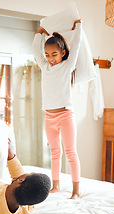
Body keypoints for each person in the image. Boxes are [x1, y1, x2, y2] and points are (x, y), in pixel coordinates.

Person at [32, 19, 82, 199]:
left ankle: (76, 191)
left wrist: (78, 28)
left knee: (70, 152)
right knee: (54, 152)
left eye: (54, 54)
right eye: (47, 55)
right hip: (49, 117)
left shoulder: (67, 66)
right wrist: (39, 32)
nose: (50, 58)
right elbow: (34, 50)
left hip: (66, 115)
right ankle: (56, 185)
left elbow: (76, 45)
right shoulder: (45, 67)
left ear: (62, 53)